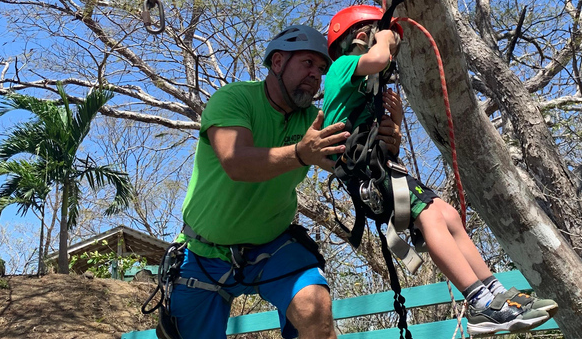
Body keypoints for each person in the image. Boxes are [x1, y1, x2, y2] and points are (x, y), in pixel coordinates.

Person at [322, 5, 559, 336]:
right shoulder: (342, 67)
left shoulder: (365, 91)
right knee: (431, 217)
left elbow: (386, 145)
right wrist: (386, 39)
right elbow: (377, 60)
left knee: (447, 214)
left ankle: (495, 291)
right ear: (361, 37)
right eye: (383, 43)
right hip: (369, 175)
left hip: (380, 168)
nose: (391, 56)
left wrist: (397, 122)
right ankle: (478, 302)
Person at [157, 24, 404, 339]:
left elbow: (356, 163)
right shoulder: (235, 99)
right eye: (307, 63)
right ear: (277, 62)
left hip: (272, 247)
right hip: (203, 253)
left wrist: (390, 139)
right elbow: (236, 162)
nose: (316, 74)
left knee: (316, 315)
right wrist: (301, 153)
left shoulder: (313, 121)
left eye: (321, 68)